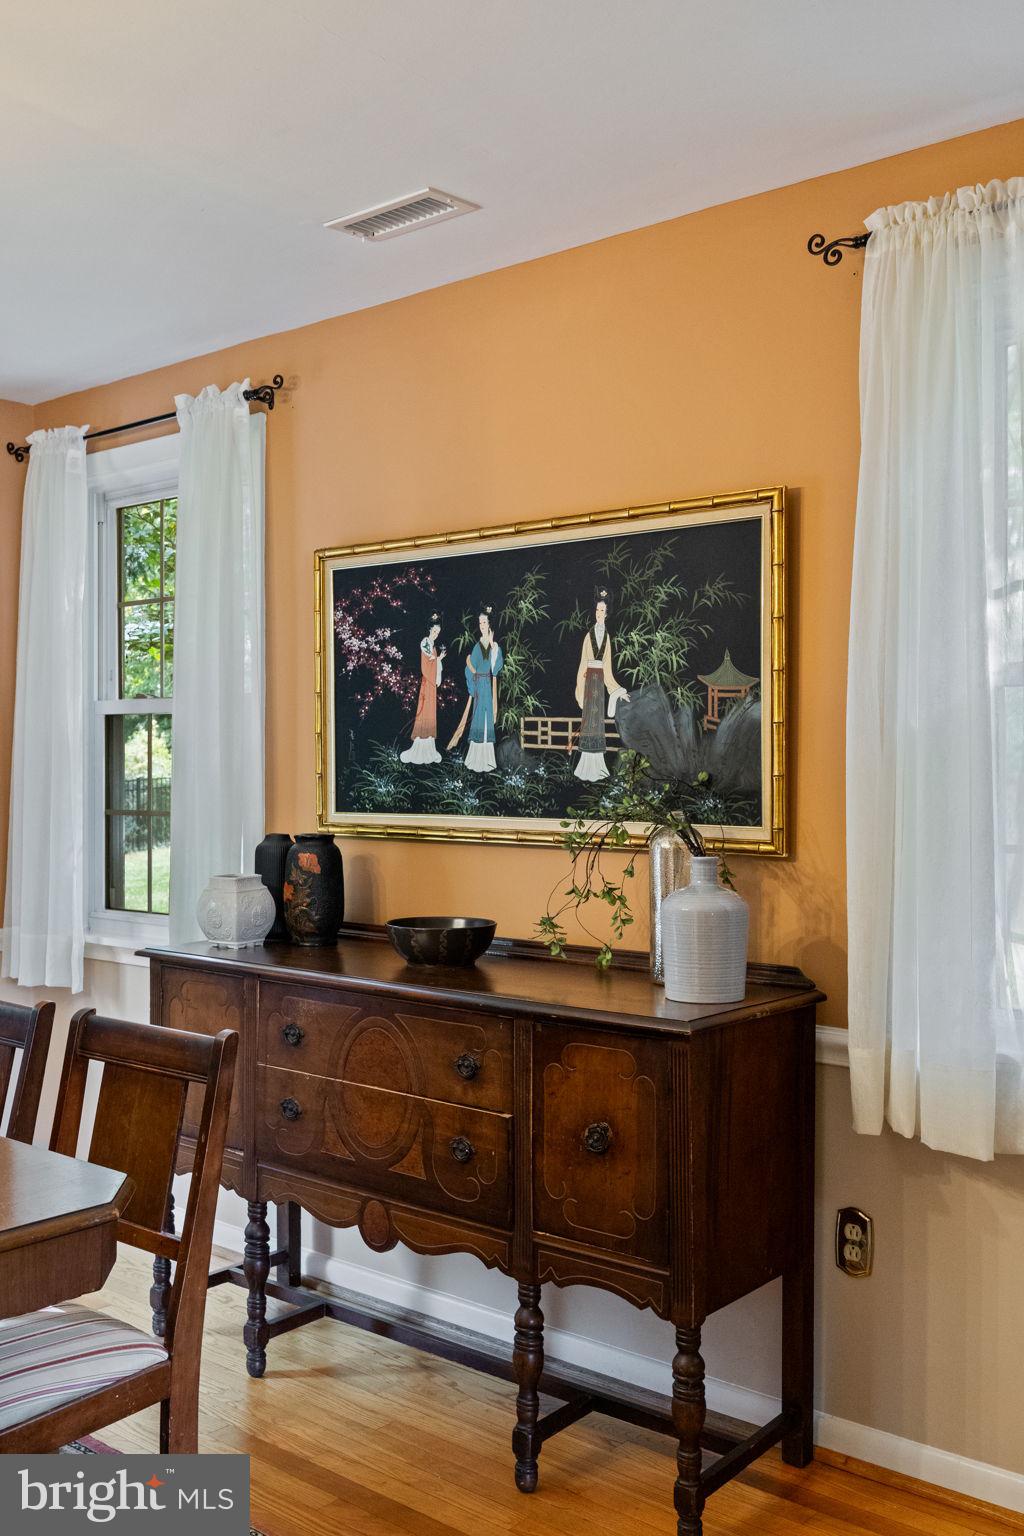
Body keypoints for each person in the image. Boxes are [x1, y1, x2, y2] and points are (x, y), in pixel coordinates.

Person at [574, 587, 629, 781]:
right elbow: (582, 664)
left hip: (599, 684)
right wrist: (580, 690)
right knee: (588, 721)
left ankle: (598, 766)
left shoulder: (607, 637)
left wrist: (616, 690)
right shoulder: (588, 636)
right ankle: (585, 766)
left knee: (597, 724)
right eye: (597, 610)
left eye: (602, 611)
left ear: (607, 613)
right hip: (589, 682)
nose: (599, 614)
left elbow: (608, 669)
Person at [447, 605, 503, 772]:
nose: (481, 625)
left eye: (484, 622)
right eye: (480, 622)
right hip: (479, 686)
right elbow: (471, 668)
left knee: (487, 721)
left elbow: (496, 667)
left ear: (489, 623)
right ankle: (475, 760)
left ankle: (488, 761)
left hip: (487, 685)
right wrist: (470, 668)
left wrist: (493, 647)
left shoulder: (494, 646)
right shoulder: (477, 646)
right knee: (479, 718)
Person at [400, 614, 446, 765]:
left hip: (431, 684)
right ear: (429, 630)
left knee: (431, 713)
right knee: (424, 711)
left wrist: (439, 659)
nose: (436, 634)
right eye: (434, 631)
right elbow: (426, 666)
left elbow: (433, 662)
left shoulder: (432, 645)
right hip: (427, 684)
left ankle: (430, 750)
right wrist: (436, 662)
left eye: (437, 632)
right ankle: (420, 749)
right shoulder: (425, 642)